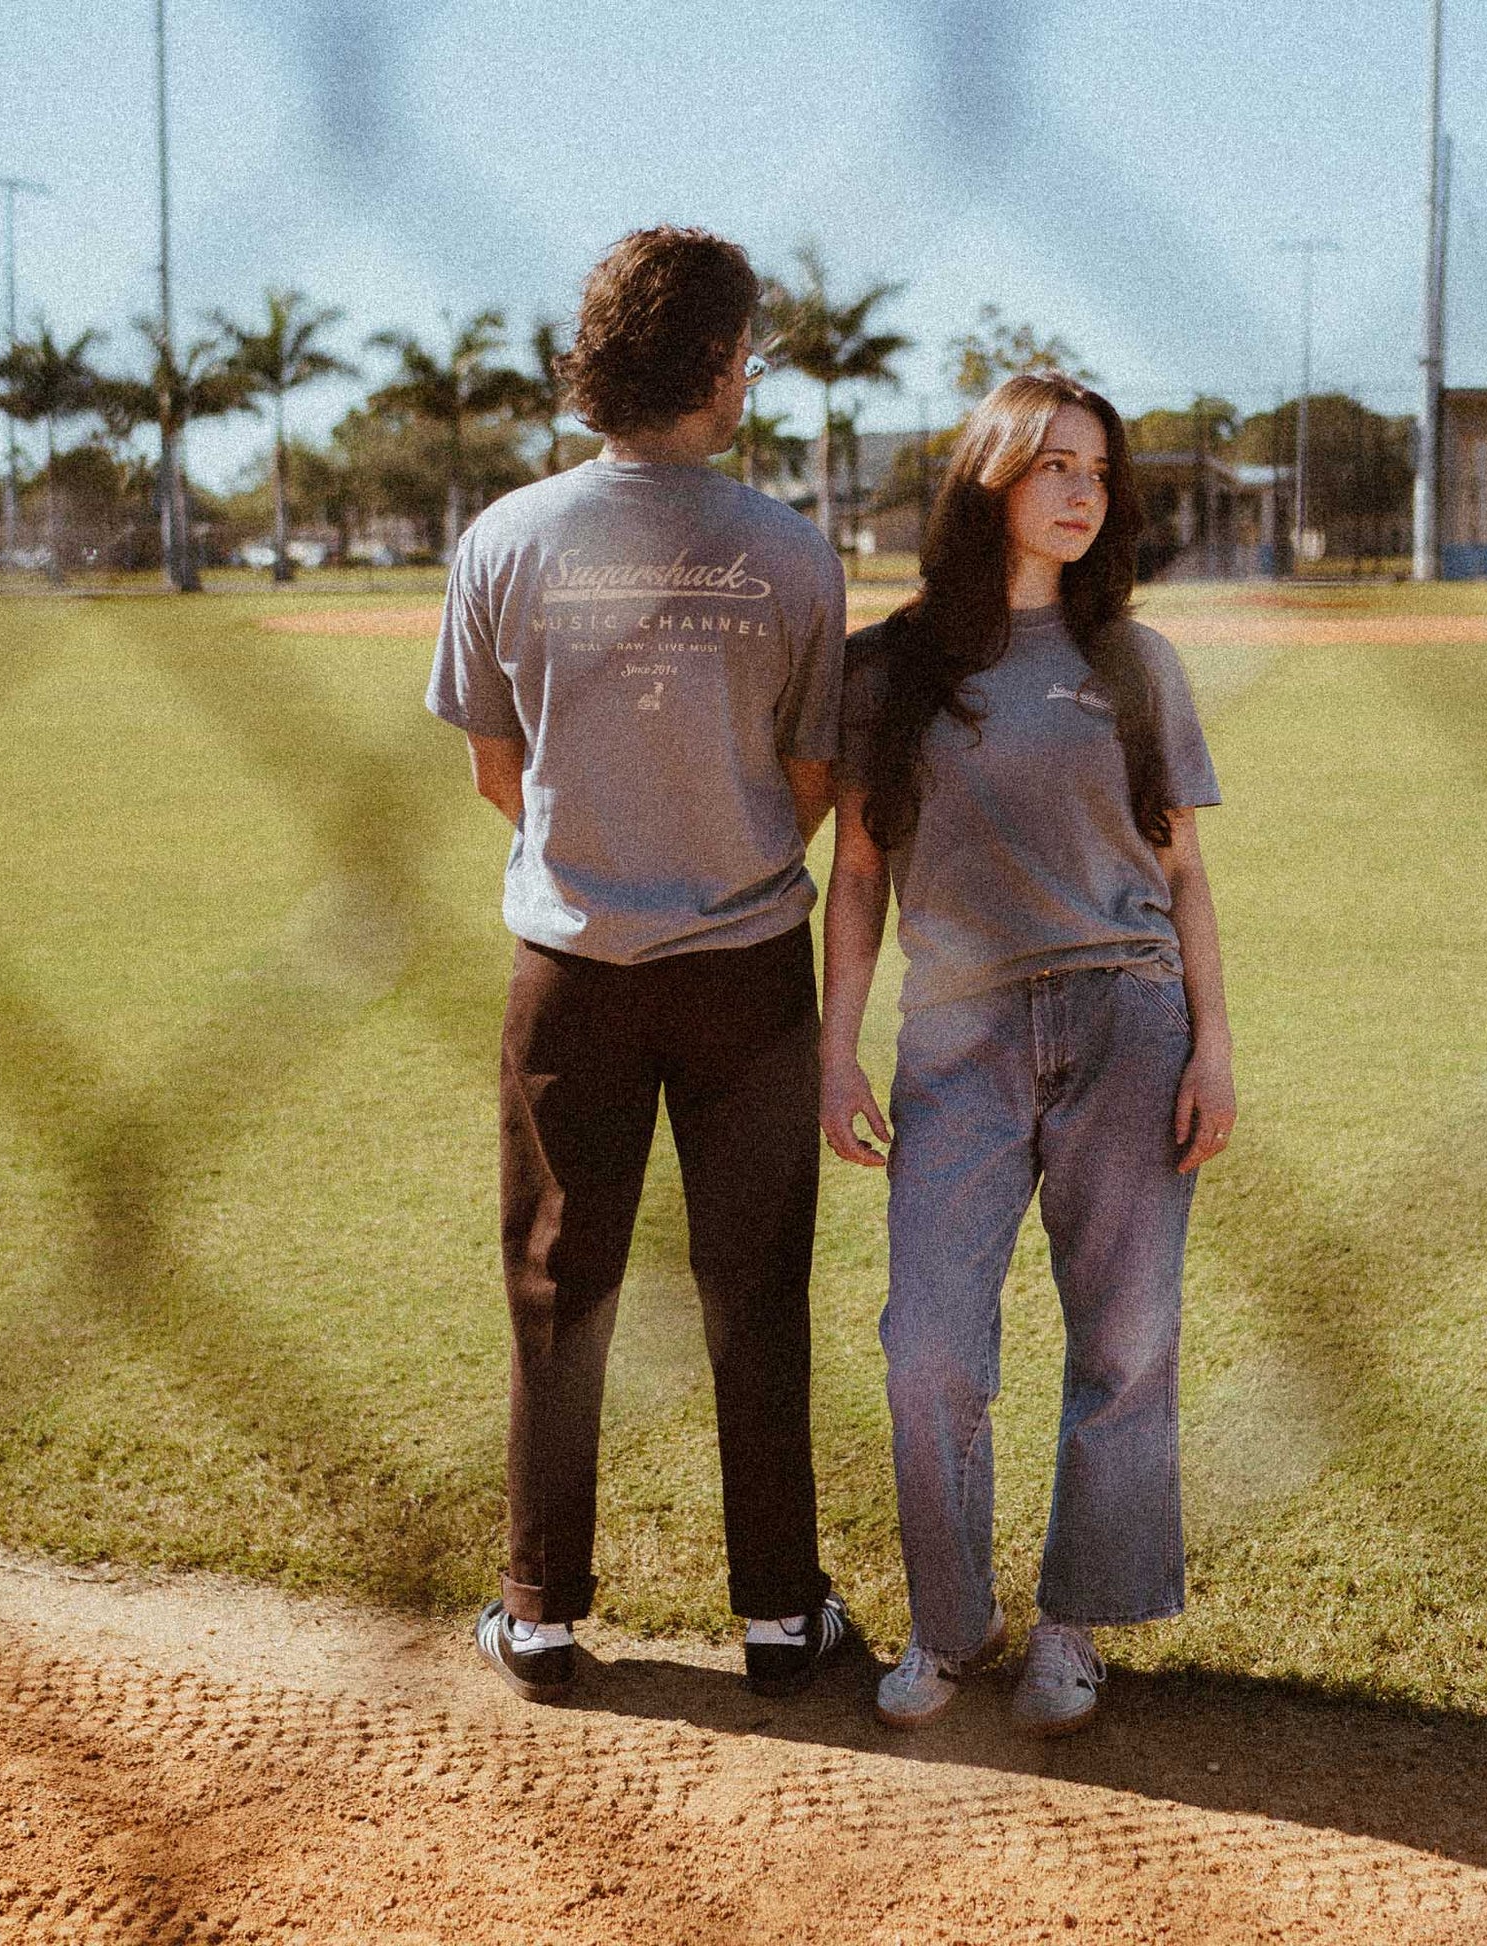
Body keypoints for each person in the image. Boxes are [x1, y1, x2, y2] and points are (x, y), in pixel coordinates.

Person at [427, 226, 853, 1703]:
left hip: (570, 963)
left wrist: (602, 844)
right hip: (746, 964)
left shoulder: (506, 537)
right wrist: (712, 846)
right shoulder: (791, 549)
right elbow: (811, 773)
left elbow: (497, 769)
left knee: (557, 1281)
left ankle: (538, 1609)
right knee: (755, 1286)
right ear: (720, 362)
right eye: (747, 354)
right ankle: (780, 1617)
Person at [820, 372, 1236, 1738]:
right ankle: (948, 1625)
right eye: (1052, 463)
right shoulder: (887, 669)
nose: (1078, 490)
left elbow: (1180, 873)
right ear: (988, 475)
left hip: (1125, 1013)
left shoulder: (1133, 662)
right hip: (957, 1037)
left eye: (1097, 472)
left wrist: (1213, 1044)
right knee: (929, 1344)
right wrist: (838, 1049)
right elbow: (859, 874)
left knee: (1123, 1337)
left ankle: (1072, 1624)